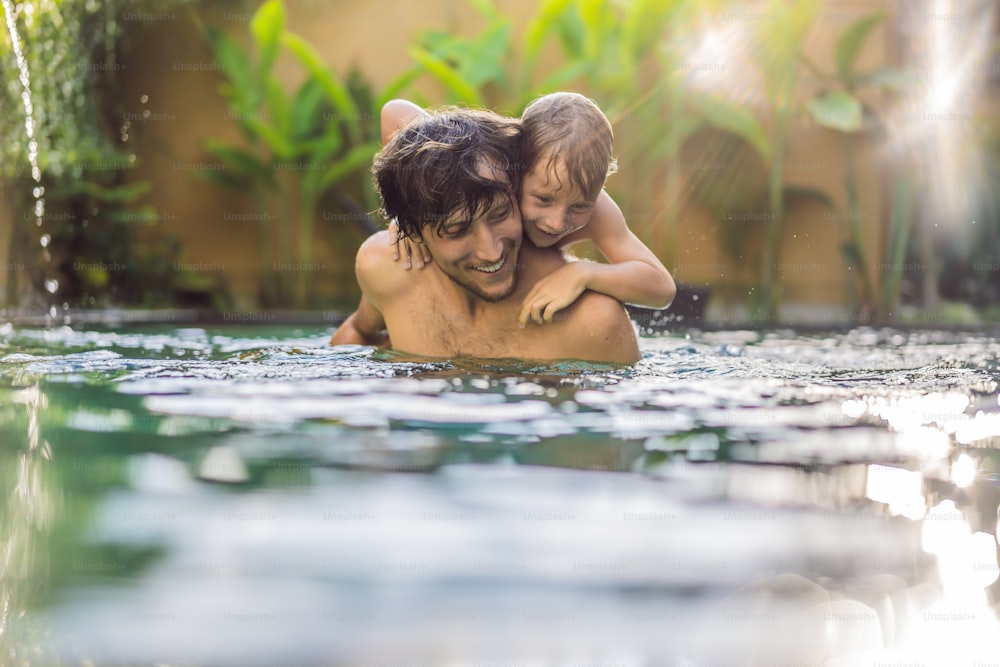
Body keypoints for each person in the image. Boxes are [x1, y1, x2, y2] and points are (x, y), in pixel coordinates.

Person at [329, 107, 640, 364]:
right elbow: (359, 335)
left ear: (516, 189)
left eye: (500, 214)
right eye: (456, 231)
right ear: (413, 230)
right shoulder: (386, 267)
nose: (491, 253)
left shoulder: (594, 324)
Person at [381, 93, 676, 328]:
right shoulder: (495, 161)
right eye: (544, 199)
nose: (557, 222)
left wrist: (583, 273)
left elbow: (661, 287)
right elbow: (394, 111)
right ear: (515, 167)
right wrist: (410, 211)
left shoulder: (599, 209)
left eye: (579, 206)